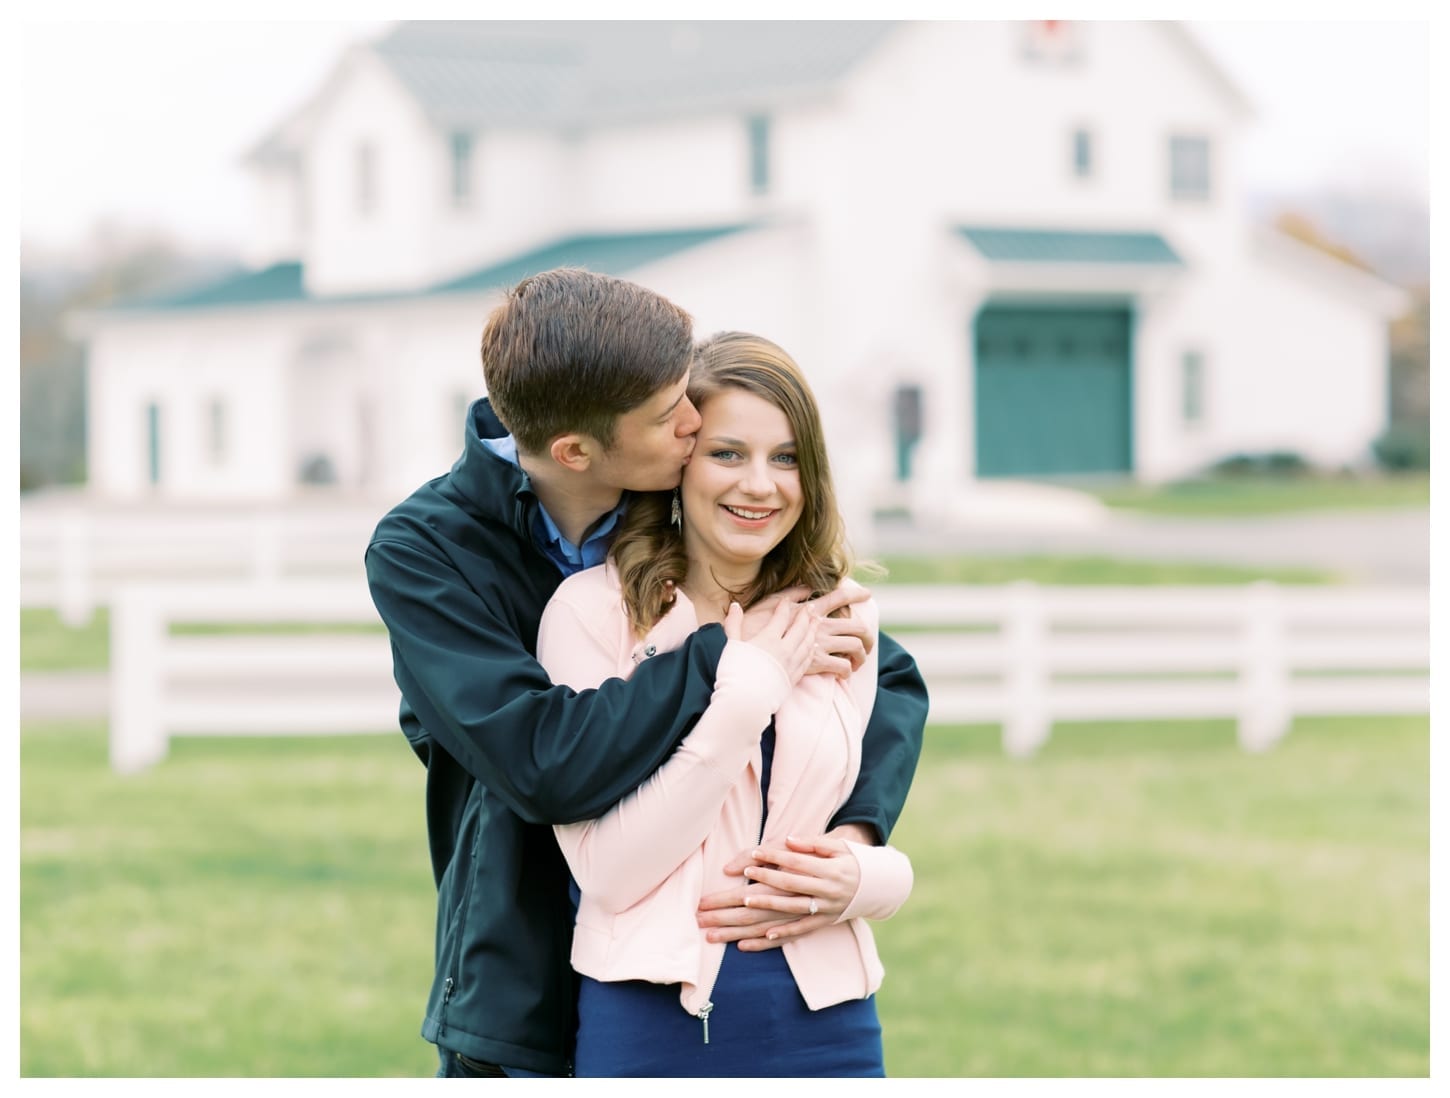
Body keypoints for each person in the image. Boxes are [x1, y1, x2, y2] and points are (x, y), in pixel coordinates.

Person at [365, 269, 927, 1077]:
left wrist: (861, 842)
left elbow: (886, 676)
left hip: (752, 982)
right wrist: (731, 660)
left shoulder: (660, 491)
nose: (696, 423)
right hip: (527, 968)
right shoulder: (430, 553)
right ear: (578, 452)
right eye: (674, 417)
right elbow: (539, 758)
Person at [537, 331, 914, 1077]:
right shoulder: (591, 614)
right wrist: (749, 688)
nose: (760, 485)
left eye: (786, 458)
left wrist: (870, 878)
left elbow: (851, 831)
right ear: (680, 464)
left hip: (830, 1027)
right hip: (651, 1022)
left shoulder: (842, 617)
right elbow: (609, 874)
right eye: (727, 453)